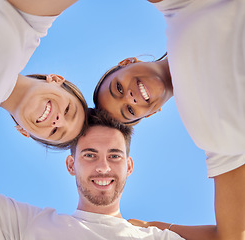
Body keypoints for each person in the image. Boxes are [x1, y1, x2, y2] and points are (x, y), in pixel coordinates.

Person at [93, 0, 245, 239]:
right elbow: (231, 235)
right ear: (150, 114)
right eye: (129, 112)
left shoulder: (179, 9)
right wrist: (152, 226)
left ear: (127, 62)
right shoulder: (208, 133)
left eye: (118, 88)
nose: (130, 98)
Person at [0, 108, 186, 239]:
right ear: (70, 164)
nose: (103, 167)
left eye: (114, 156)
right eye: (90, 155)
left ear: (129, 166)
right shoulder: (31, 226)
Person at [0, 0, 88, 174]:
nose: (58, 121)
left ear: (24, 132)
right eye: (68, 110)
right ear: (56, 79)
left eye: (55, 131)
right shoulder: (28, 28)